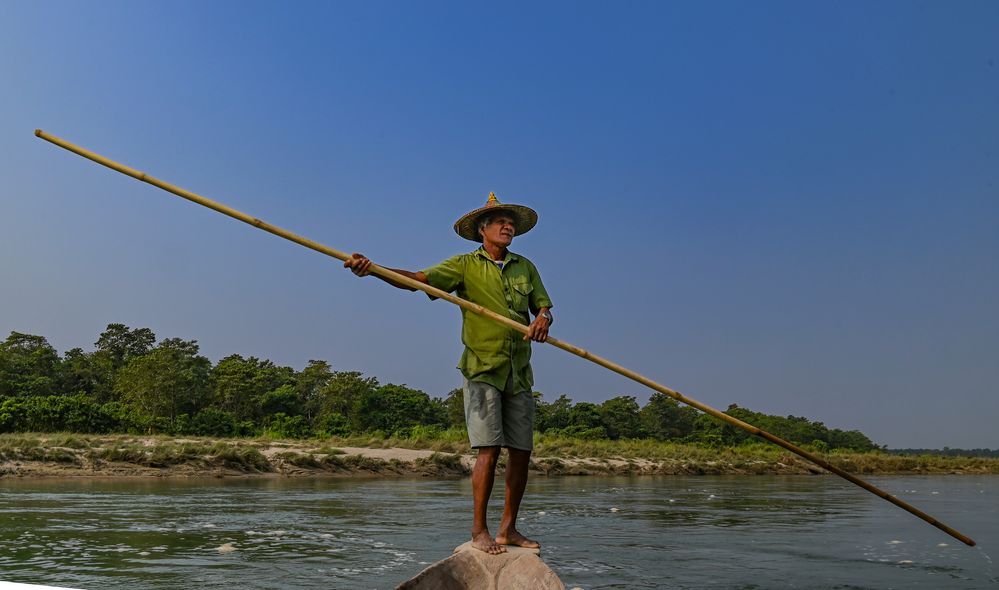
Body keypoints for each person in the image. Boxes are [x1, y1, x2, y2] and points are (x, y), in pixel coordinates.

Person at [343, 192, 553, 555]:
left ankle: (508, 529)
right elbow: (418, 280)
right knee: (488, 449)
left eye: (511, 223)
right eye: (501, 222)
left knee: (521, 452)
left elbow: (544, 306)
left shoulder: (525, 266)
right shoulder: (464, 265)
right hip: (482, 367)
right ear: (482, 230)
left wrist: (542, 320)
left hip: (519, 371)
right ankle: (479, 532)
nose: (508, 227)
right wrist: (374, 270)